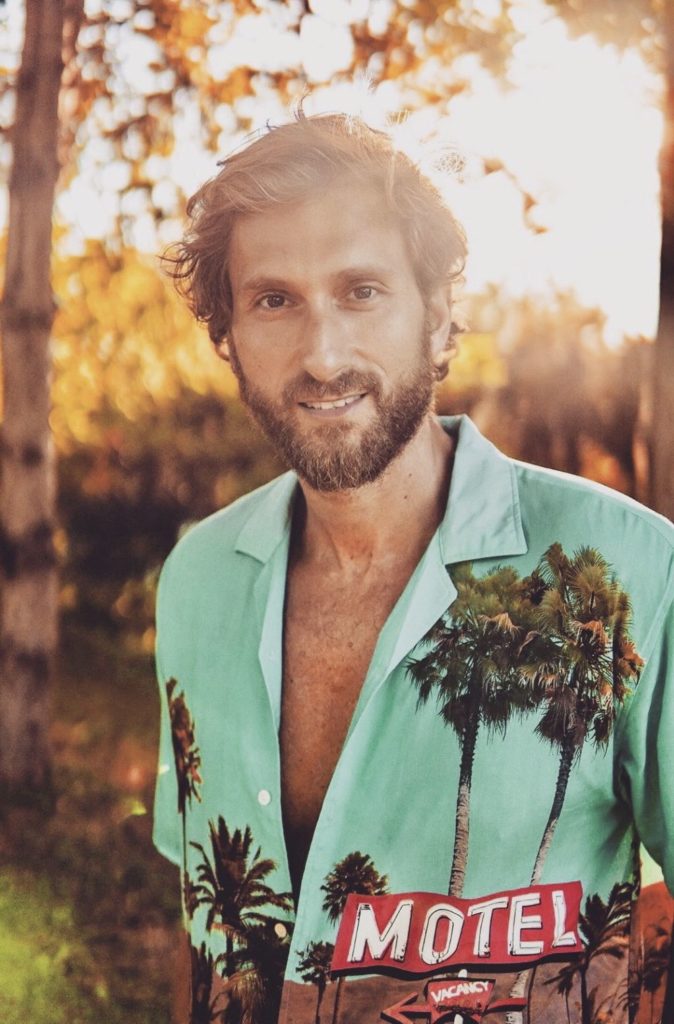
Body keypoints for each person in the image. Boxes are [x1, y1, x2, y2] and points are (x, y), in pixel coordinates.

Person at [153, 112, 674, 1024]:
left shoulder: (630, 569)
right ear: (227, 333)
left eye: (361, 291)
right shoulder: (197, 578)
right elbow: (203, 921)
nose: (322, 355)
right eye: (274, 299)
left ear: (437, 318)